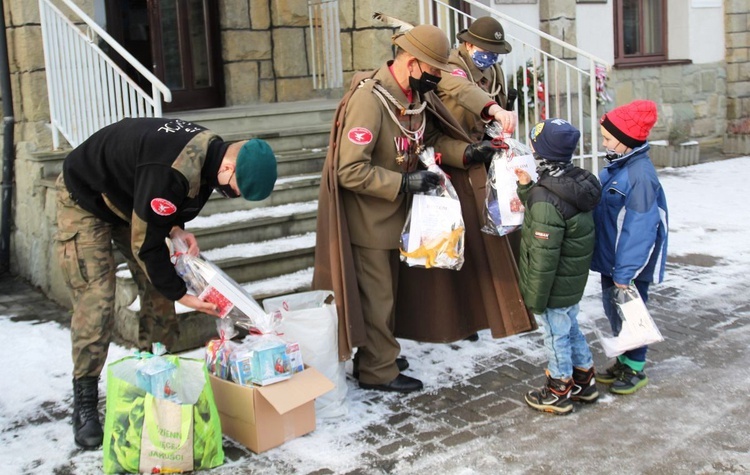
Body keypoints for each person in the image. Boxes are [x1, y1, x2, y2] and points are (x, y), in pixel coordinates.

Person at [313, 24, 535, 394]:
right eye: (433, 71)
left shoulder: (409, 94)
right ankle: (376, 371)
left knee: (390, 298)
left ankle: (379, 354)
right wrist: (402, 183)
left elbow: (428, 138)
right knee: (378, 298)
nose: (437, 79)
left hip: (398, 218)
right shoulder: (371, 99)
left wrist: (465, 153)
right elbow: (348, 170)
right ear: (412, 63)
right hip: (371, 220)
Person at [55, 117, 277, 449]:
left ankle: (153, 376)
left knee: (158, 291)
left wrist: (176, 229)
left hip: (128, 201)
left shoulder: (209, 154)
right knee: (98, 298)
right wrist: (182, 295)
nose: (230, 194)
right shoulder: (173, 168)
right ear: (230, 165)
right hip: (85, 197)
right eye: (234, 189)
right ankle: (85, 399)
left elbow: (157, 207)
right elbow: (146, 246)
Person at [514, 118, 602, 414]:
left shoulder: (546, 197)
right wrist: (528, 189)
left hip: (552, 286)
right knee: (570, 326)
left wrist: (536, 299)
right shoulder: (572, 182)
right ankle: (584, 380)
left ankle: (559, 388)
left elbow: (542, 256)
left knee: (555, 334)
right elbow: (551, 211)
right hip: (571, 281)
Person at [590, 100, 668, 395]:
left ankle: (636, 367)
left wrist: (627, 271)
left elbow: (640, 230)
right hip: (613, 261)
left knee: (633, 313)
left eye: (608, 139)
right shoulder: (620, 167)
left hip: (629, 267)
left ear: (626, 140)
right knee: (615, 311)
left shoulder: (639, 177)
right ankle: (624, 359)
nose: (605, 143)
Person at [436, 16, 517, 140]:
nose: (491, 56)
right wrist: (494, 109)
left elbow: (502, 101)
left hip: (487, 143)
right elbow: (464, 89)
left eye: (495, 51)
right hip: (456, 142)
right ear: (469, 45)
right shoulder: (450, 64)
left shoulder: (494, 70)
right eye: (486, 49)